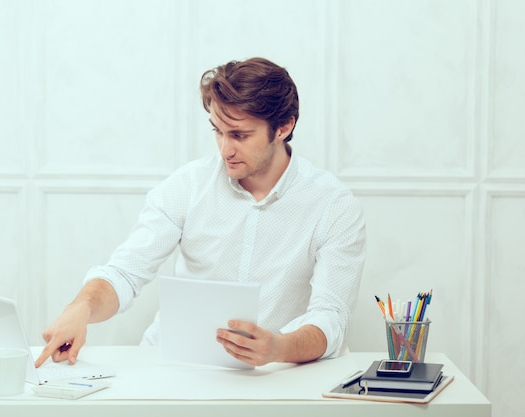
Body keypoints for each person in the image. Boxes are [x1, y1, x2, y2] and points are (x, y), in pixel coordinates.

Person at [35, 57, 366, 369]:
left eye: (239, 135)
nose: (224, 149)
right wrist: (81, 307)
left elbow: (331, 317)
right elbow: (125, 273)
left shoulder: (333, 205)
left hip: (274, 378)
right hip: (174, 370)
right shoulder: (186, 186)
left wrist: (278, 347)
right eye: (218, 131)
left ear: (283, 127)